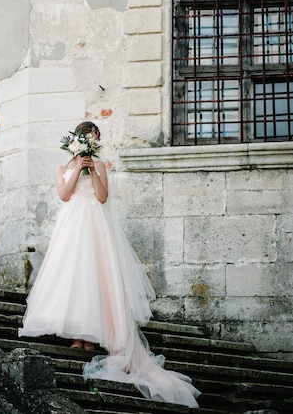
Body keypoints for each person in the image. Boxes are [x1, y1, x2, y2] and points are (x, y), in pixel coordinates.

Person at [19, 121, 200, 408]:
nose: (92, 141)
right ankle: (76, 335)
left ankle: (93, 338)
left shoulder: (101, 166)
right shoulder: (62, 168)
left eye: (95, 138)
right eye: (88, 138)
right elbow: (64, 195)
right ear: (77, 141)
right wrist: (78, 168)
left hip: (95, 227)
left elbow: (102, 197)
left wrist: (92, 170)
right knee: (73, 277)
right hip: (71, 227)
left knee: (96, 278)